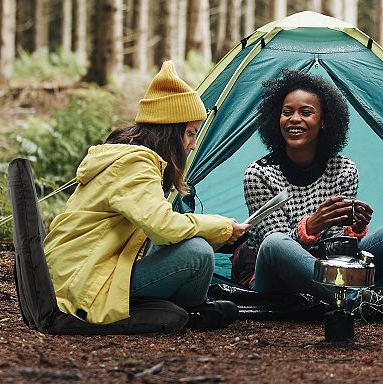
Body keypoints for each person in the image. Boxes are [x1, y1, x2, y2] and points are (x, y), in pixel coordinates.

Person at [44, 60, 250, 330]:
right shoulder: (135, 164)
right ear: (169, 131)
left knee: (193, 242)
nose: (192, 145)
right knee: (198, 252)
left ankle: (188, 309)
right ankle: (194, 312)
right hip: (86, 282)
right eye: (189, 133)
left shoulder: (126, 156)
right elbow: (162, 227)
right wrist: (220, 227)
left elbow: (152, 231)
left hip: (82, 271)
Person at [242, 69, 383, 318]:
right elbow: (274, 245)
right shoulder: (258, 174)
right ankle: (356, 300)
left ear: (324, 121)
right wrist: (311, 226)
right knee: (275, 244)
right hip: (274, 276)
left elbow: (338, 249)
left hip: (329, 267)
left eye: (306, 112)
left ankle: (350, 297)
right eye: (287, 112)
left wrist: (354, 229)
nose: (294, 119)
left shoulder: (344, 170)